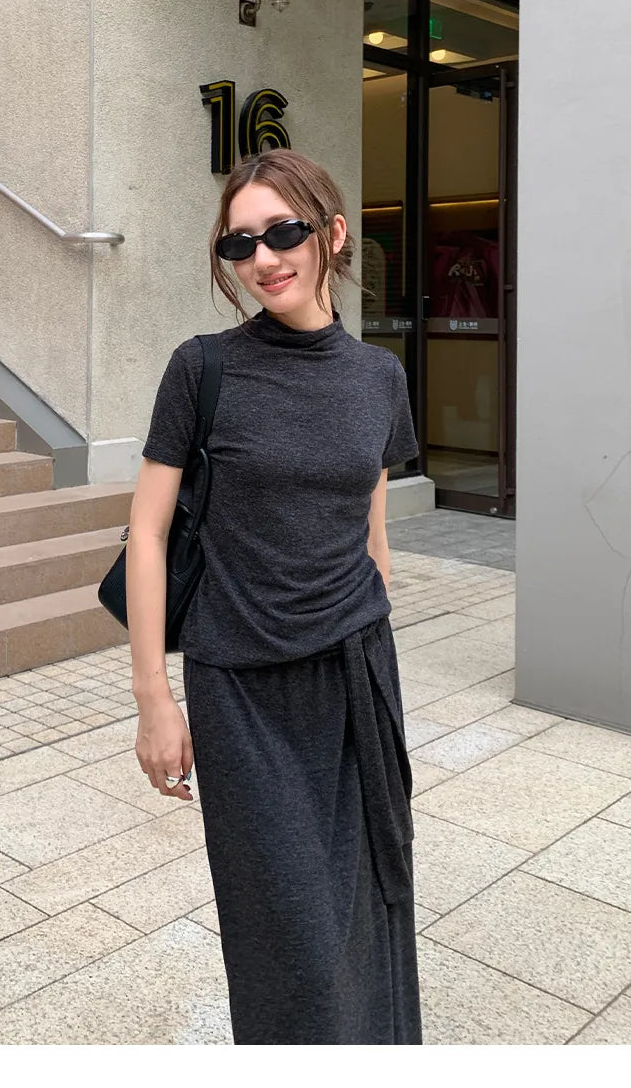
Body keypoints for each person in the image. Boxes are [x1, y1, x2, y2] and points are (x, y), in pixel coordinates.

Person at [126, 147, 422, 1045]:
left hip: (355, 678)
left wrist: (374, 622)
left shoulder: (379, 378)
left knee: (372, 901)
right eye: (239, 243)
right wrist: (154, 697)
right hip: (242, 691)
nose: (263, 258)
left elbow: (370, 523)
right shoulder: (202, 368)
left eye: (283, 232)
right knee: (286, 936)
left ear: (333, 234)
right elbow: (147, 532)